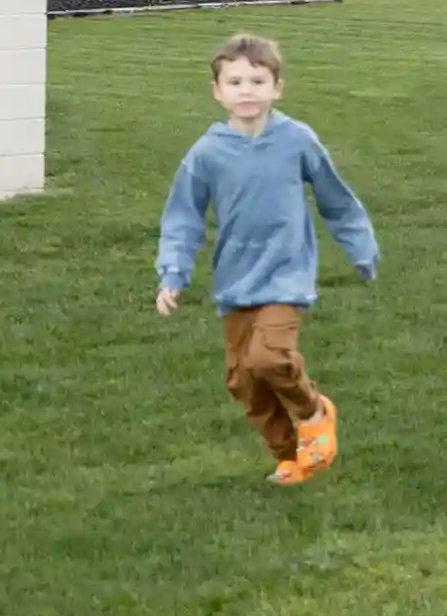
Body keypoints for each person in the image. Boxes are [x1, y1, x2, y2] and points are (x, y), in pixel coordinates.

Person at [156, 34, 379, 486]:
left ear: (278, 87)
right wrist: (173, 274)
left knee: (269, 358)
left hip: (287, 272)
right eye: (235, 81)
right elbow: (183, 216)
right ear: (217, 91)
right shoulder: (207, 153)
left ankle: (314, 412)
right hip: (236, 280)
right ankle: (289, 456)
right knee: (243, 381)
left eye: (257, 80)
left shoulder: (297, 140)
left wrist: (360, 247)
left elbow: (336, 199)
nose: (247, 90)